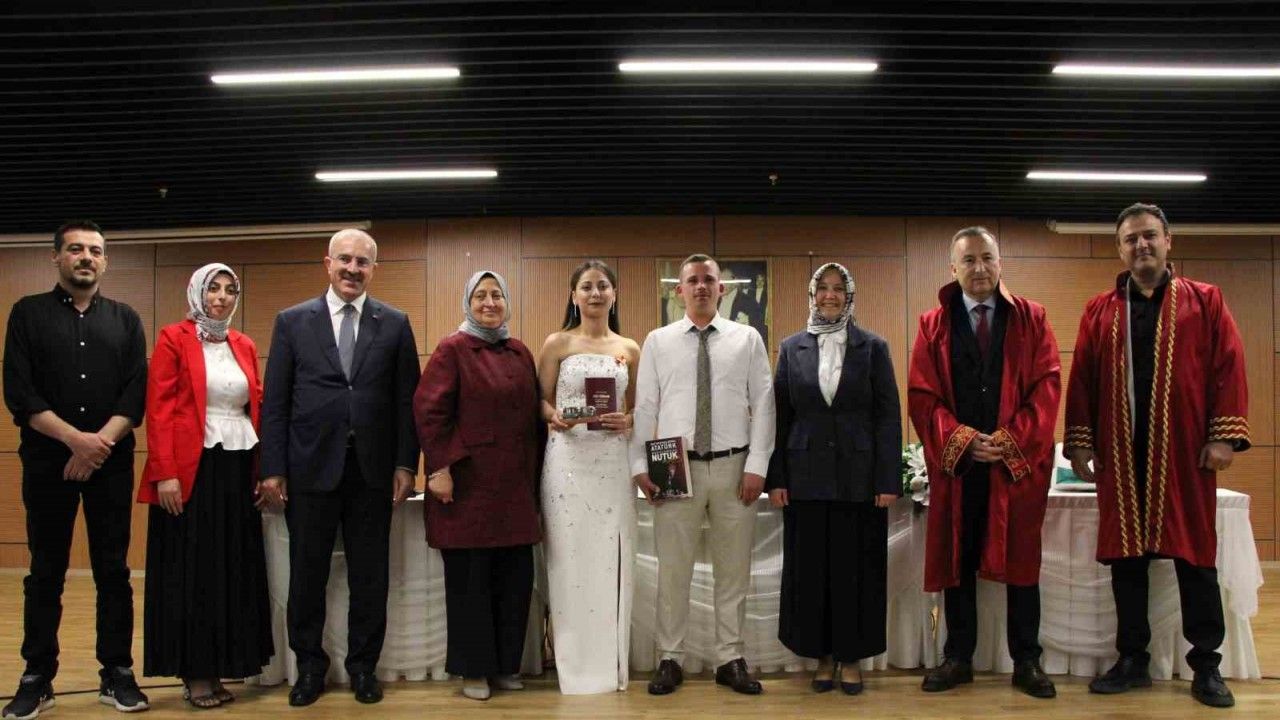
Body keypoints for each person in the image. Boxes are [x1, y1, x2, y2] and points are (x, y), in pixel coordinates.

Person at [1064, 203, 1247, 708]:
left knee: (1195, 558)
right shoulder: (1100, 310)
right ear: (1119, 249)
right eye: (1130, 239)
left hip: (1185, 454)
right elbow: (1082, 379)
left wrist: (1224, 436)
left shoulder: (1205, 301)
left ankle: (1206, 665)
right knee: (1127, 561)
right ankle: (1132, 660)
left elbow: (1229, 367)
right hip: (1121, 453)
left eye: (1149, 236)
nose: (1141, 245)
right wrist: (1080, 441)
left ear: (1169, 241)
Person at [257, 229, 420, 707]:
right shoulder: (292, 322)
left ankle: (363, 668)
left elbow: (406, 401)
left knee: (370, 576)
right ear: (327, 263)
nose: (353, 269)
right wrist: (273, 468)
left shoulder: (395, 323)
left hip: (372, 472)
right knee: (307, 575)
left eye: (362, 262)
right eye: (345, 260)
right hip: (309, 469)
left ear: (374, 269)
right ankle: (310, 667)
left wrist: (406, 463)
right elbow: (276, 402)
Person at [2, 220, 150, 718]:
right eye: (76, 249)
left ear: (105, 260)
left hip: (111, 464)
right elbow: (19, 393)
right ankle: (37, 677)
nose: (87, 257)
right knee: (46, 572)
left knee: (114, 571)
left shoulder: (126, 319)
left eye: (95, 250)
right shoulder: (27, 314)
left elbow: (135, 394)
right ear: (56, 257)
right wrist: (75, 441)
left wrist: (97, 445)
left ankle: (117, 673)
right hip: (49, 463)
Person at [907, 227, 1059, 699]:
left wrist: (1011, 442)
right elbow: (922, 395)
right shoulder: (933, 324)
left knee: (1022, 562)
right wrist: (963, 441)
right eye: (969, 260)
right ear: (953, 268)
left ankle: (1027, 660)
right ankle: (959, 657)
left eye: (987, 258)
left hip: (1016, 470)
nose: (979, 268)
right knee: (959, 560)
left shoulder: (1032, 318)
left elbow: (1047, 388)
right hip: (960, 468)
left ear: (1000, 263)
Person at [630, 253, 775, 696]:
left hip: (734, 466)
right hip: (674, 466)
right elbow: (645, 406)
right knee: (674, 570)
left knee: (733, 571)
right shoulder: (658, 341)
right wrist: (639, 466)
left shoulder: (747, 338)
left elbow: (764, 402)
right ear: (679, 291)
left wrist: (757, 465)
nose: (700, 287)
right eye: (691, 280)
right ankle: (669, 657)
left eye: (708, 280)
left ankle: (729, 658)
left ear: (721, 289)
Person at [138, 263, 273, 708]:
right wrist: (165, 472)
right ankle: (195, 672)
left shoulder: (244, 344)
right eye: (213, 288)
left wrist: (265, 469)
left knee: (230, 569)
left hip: (236, 468)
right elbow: (158, 408)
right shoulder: (173, 338)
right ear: (196, 292)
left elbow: (256, 404)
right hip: (188, 472)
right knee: (193, 572)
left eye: (230, 290)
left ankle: (222, 666)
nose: (221, 297)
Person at [767, 262, 901, 695]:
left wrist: (887, 479)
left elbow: (888, 416)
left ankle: (852, 656)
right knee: (812, 572)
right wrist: (776, 477)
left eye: (838, 288)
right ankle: (822, 656)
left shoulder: (873, 347)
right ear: (812, 295)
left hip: (859, 480)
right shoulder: (791, 348)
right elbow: (780, 417)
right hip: (804, 478)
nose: (830, 295)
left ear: (849, 295)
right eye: (822, 288)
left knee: (856, 570)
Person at [414, 270, 543, 702]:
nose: (490, 303)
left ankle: (505, 665)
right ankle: (474, 670)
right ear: (468, 303)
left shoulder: (520, 351)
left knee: (514, 579)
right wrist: (439, 468)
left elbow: (533, 416)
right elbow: (429, 411)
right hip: (468, 488)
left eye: (497, 295)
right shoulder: (452, 349)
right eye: (480, 296)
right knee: (472, 583)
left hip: (515, 489)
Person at [537, 260, 640, 694]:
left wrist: (628, 420)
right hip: (567, 462)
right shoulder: (557, 343)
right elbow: (540, 400)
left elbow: (638, 408)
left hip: (612, 463)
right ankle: (573, 665)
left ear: (614, 294)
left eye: (602, 286)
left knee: (609, 559)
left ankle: (608, 664)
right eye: (586, 286)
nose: (595, 293)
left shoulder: (630, 347)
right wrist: (553, 415)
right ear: (573, 295)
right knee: (568, 559)